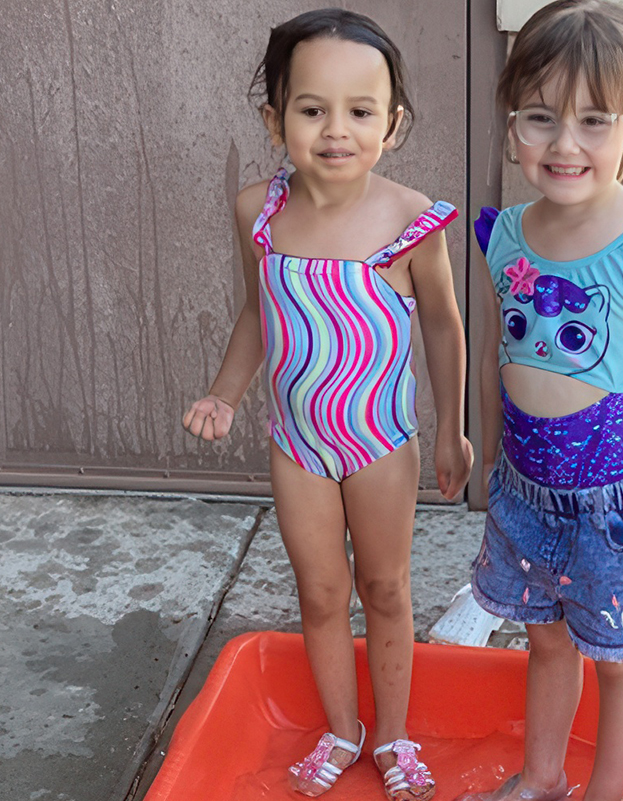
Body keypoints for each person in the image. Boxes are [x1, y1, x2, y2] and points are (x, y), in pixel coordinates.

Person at [182, 9, 472, 799]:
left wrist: (452, 429)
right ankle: (343, 728)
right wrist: (224, 392)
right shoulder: (259, 213)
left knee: (385, 588)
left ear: (393, 123)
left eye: (360, 110)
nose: (335, 129)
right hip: (297, 442)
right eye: (312, 109)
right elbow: (256, 312)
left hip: (380, 441)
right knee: (320, 592)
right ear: (276, 119)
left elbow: (444, 327)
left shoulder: (412, 222)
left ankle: (393, 734)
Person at [461, 2, 623, 799]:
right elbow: (499, 353)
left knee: (621, 658)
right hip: (524, 495)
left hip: (614, 511)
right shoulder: (504, 235)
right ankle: (542, 779)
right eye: (540, 118)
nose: (564, 144)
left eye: (593, 120)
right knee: (543, 642)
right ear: (512, 124)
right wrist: (478, 448)